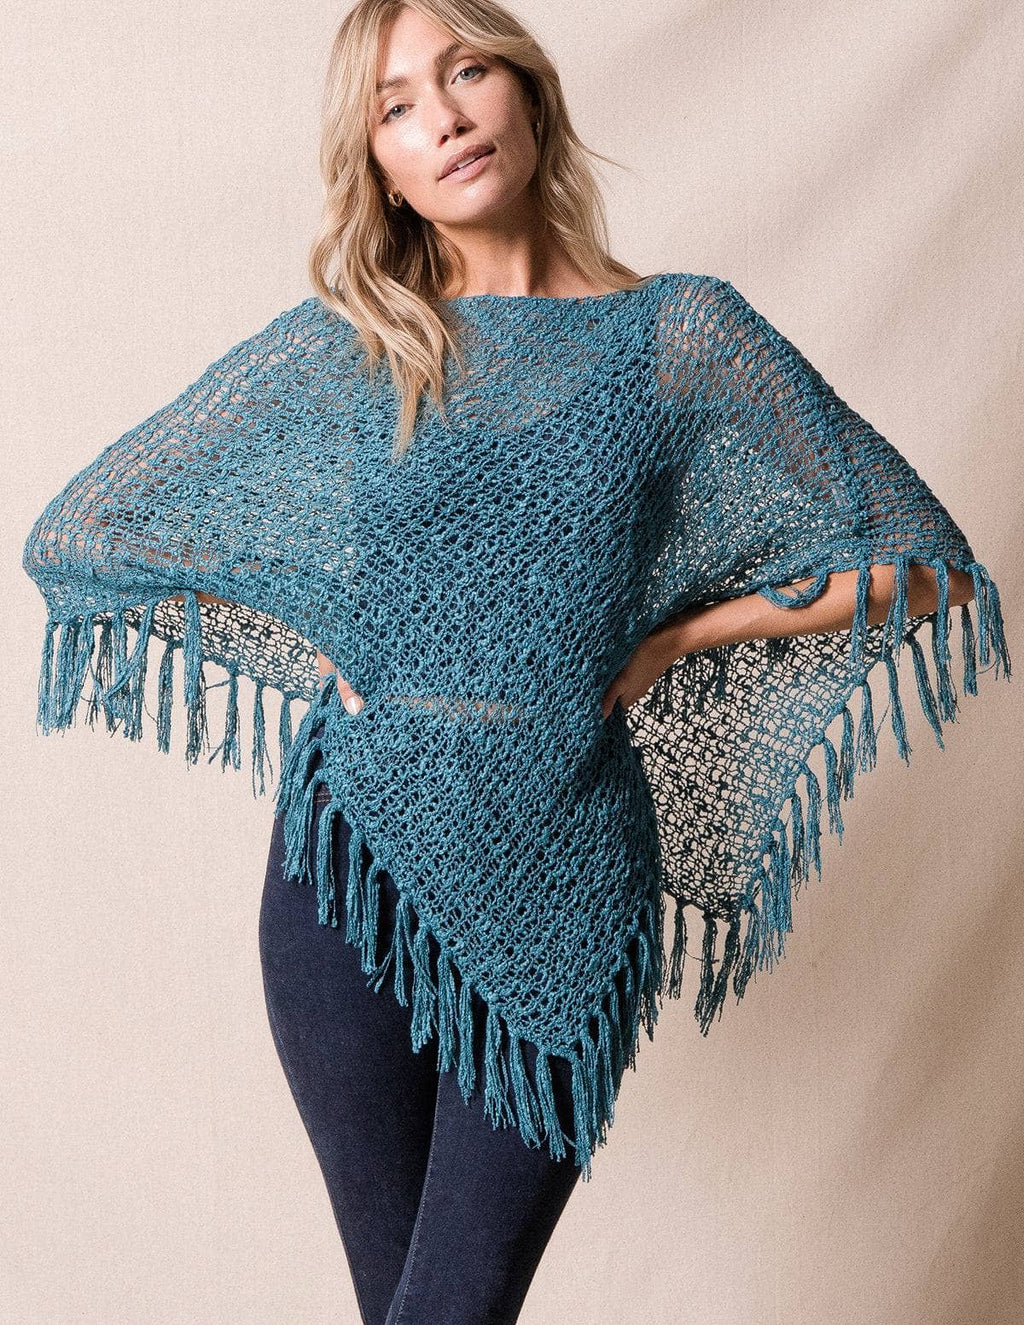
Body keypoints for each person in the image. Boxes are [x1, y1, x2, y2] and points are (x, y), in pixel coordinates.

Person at [21, 1, 1011, 1322]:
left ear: (529, 95)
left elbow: (919, 562)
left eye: (467, 71)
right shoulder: (362, 343)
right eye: (397, 107)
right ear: (382, 167)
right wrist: (323, 639)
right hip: (350, 867)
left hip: (566, 864)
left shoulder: (679, 335)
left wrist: (677, 636)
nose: (443, 116)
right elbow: (87, 530)